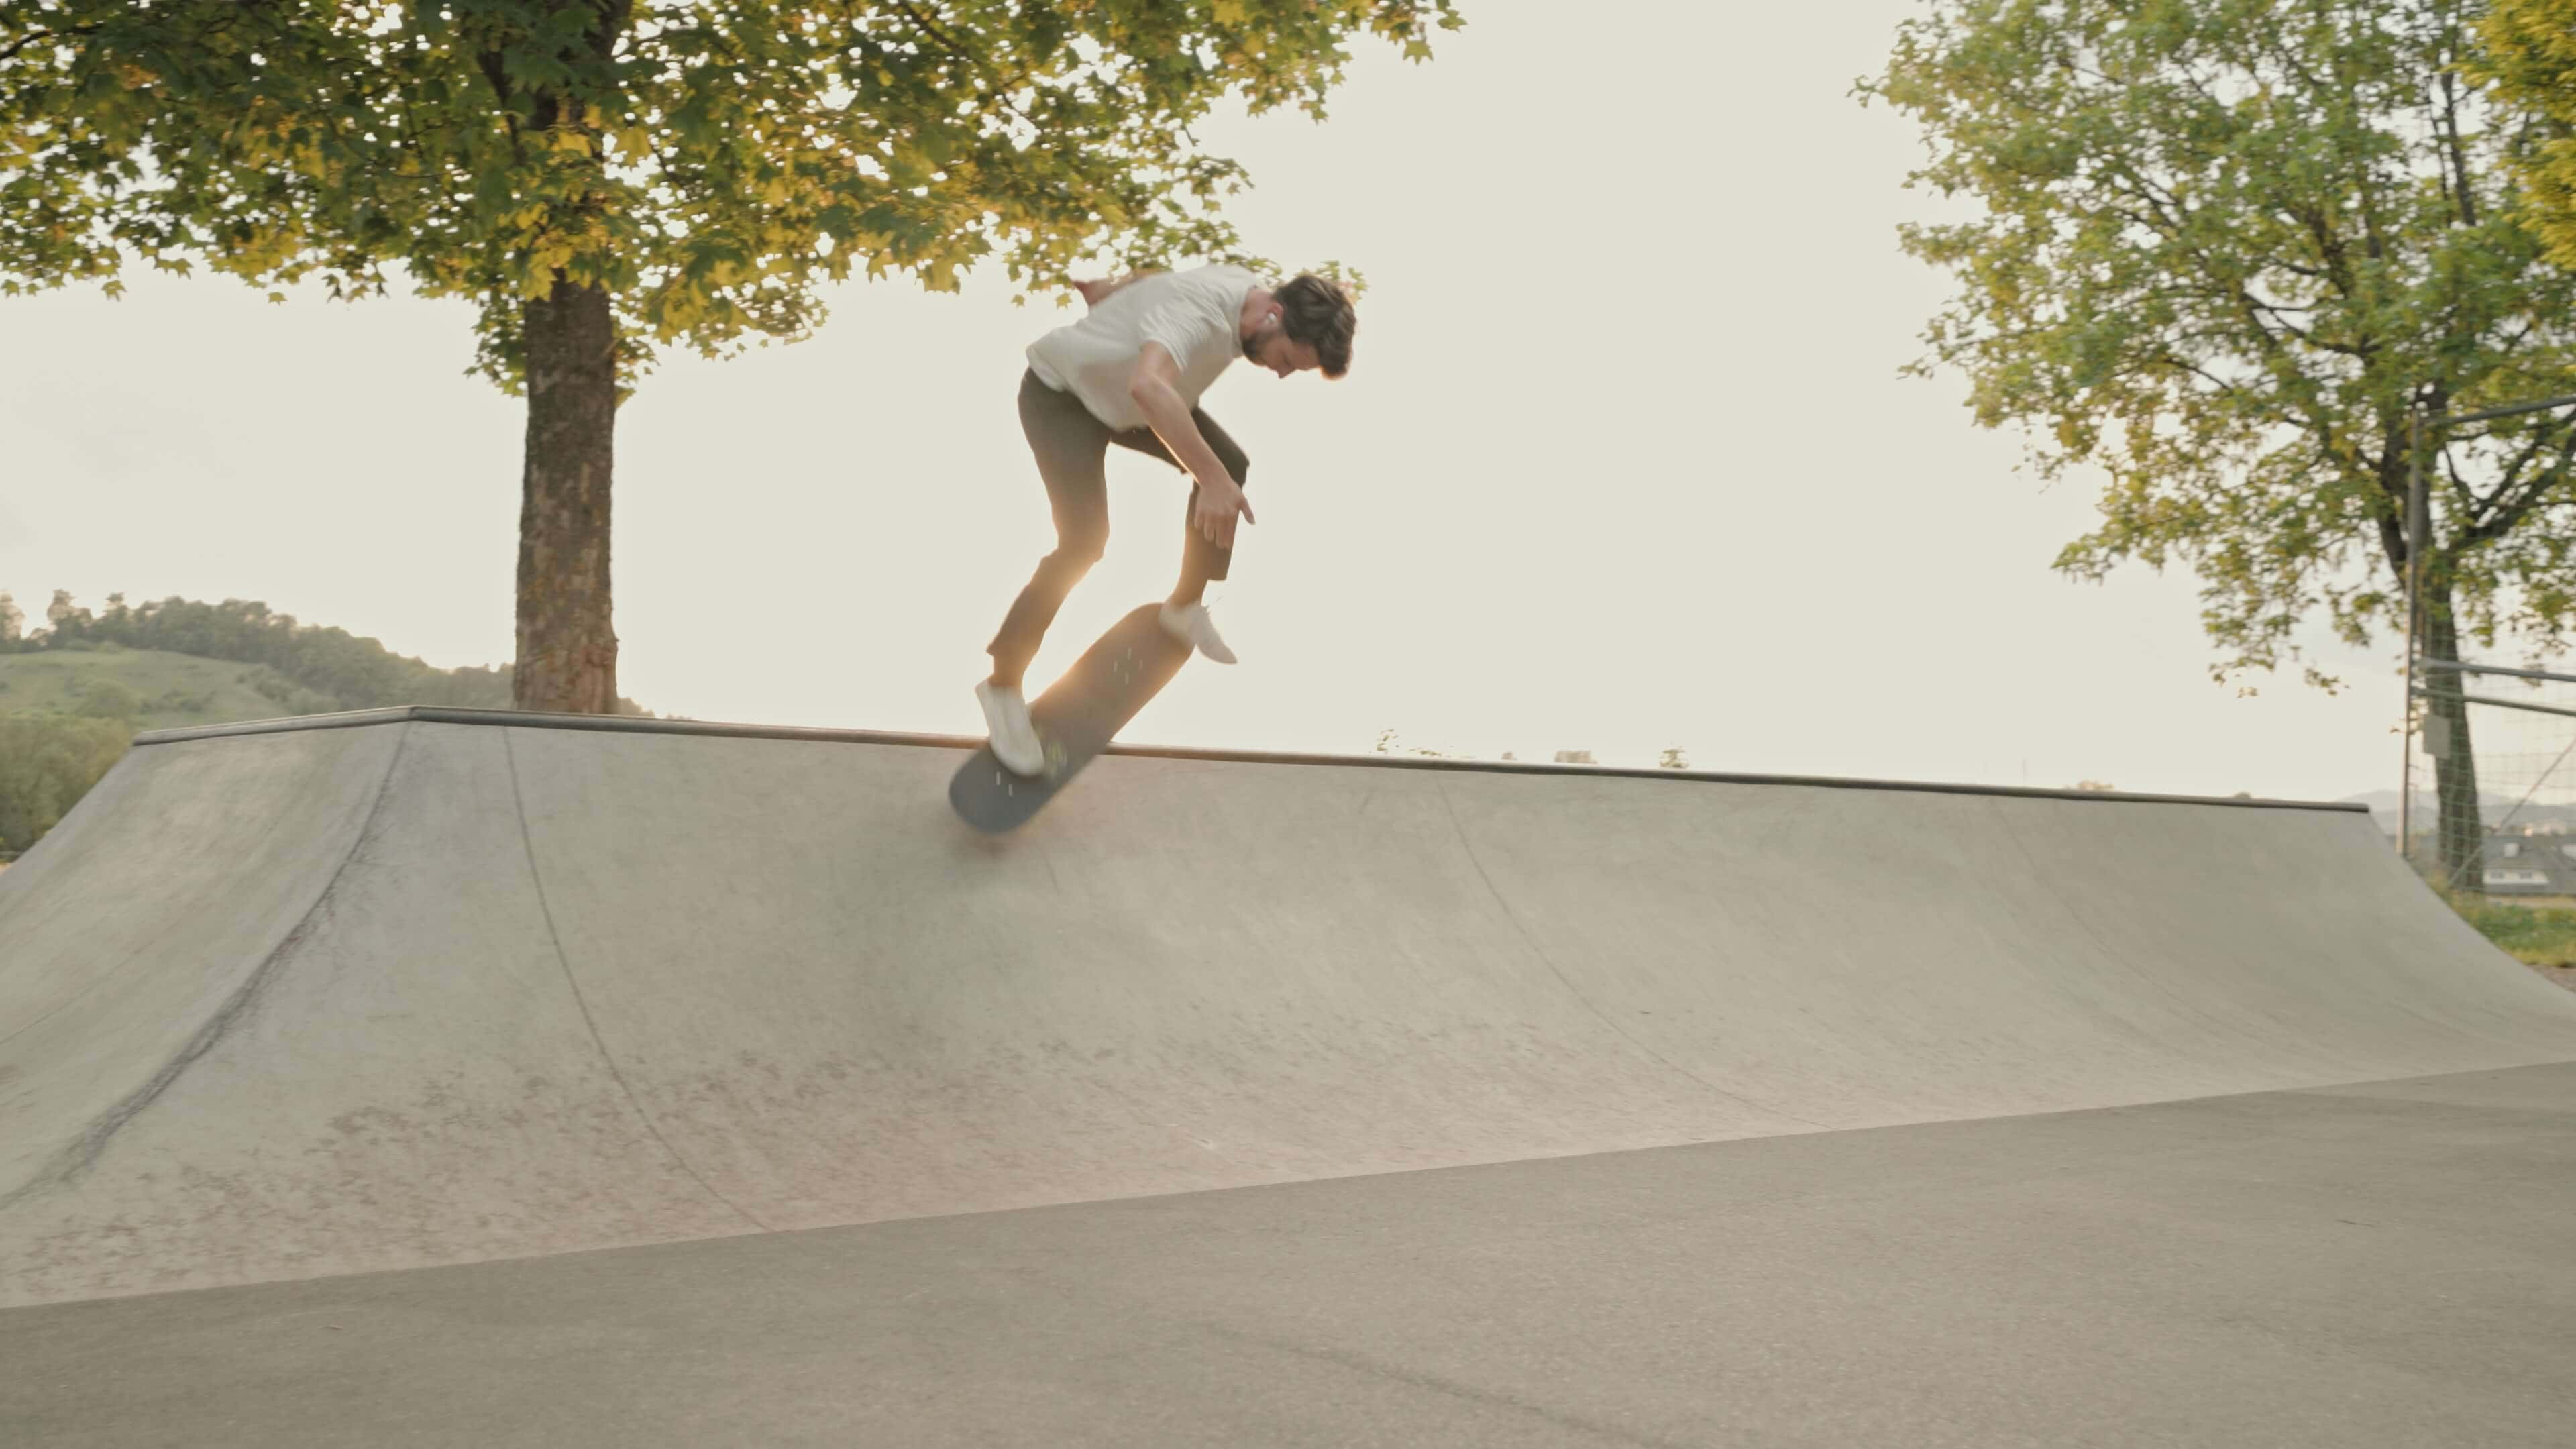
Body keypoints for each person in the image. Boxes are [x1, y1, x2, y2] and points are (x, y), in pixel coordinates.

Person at [976, 263, 1358, 775]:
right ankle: (1002, 686)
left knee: (1232, 465)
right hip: (1063, 399)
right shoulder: (1195, 315)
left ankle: (1183, 604)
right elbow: (1149, 388)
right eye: (1288, 359)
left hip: (1127, 411)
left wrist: (1112, 291)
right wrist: (1213, 481)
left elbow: (1161, 277)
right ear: (1274, 314)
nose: (1282, 373)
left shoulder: (1243, 286)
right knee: (1085, 541)